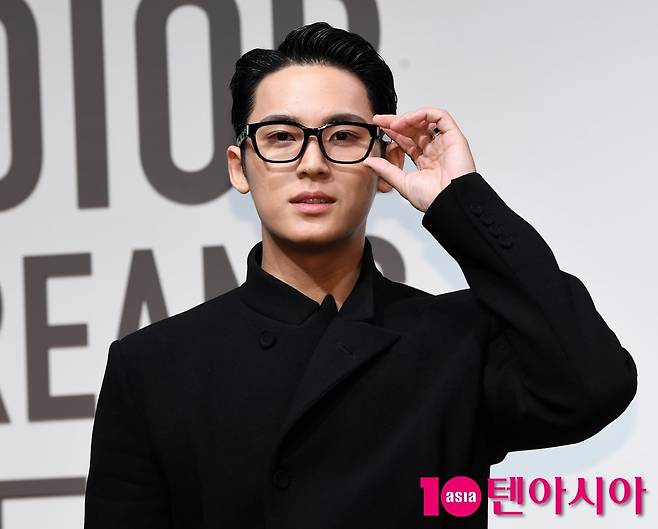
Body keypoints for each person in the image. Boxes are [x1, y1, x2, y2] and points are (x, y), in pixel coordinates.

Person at [83, 21, 638, 529]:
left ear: (386, 164)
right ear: (240, 167)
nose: (312, 163)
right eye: (281, 137)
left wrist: (460, 201)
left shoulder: (457, 340)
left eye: (343, 136)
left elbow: (593, 386)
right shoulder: (154, 366)